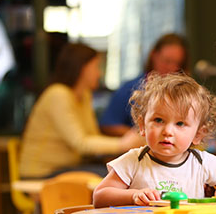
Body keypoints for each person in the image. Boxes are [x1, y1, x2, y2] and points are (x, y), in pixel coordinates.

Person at [93, 72, 216, 214]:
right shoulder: (134, 160)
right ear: (142, 125)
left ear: (198, 133)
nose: (168, 131)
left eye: (180, 124)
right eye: (159, 120)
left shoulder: (202, 162)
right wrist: (133, 195)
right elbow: (100, 196)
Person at [19, 43, 143, 178]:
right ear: (82, 68)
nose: (99, 73)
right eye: (96, 66)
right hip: (40, 173)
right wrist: (123, 144)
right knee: (115, 178)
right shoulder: (58, 94)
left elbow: (91, 136)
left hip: (67, 168)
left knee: (122, 173)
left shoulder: (83, 96)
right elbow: (81, 143)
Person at [100, 33, 189, 136]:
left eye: (177, 63)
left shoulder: (184, 93)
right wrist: (140, 136)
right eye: (167, 61)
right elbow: (108, 125)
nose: (171, 68)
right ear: (153, 56)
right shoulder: (130, 89)